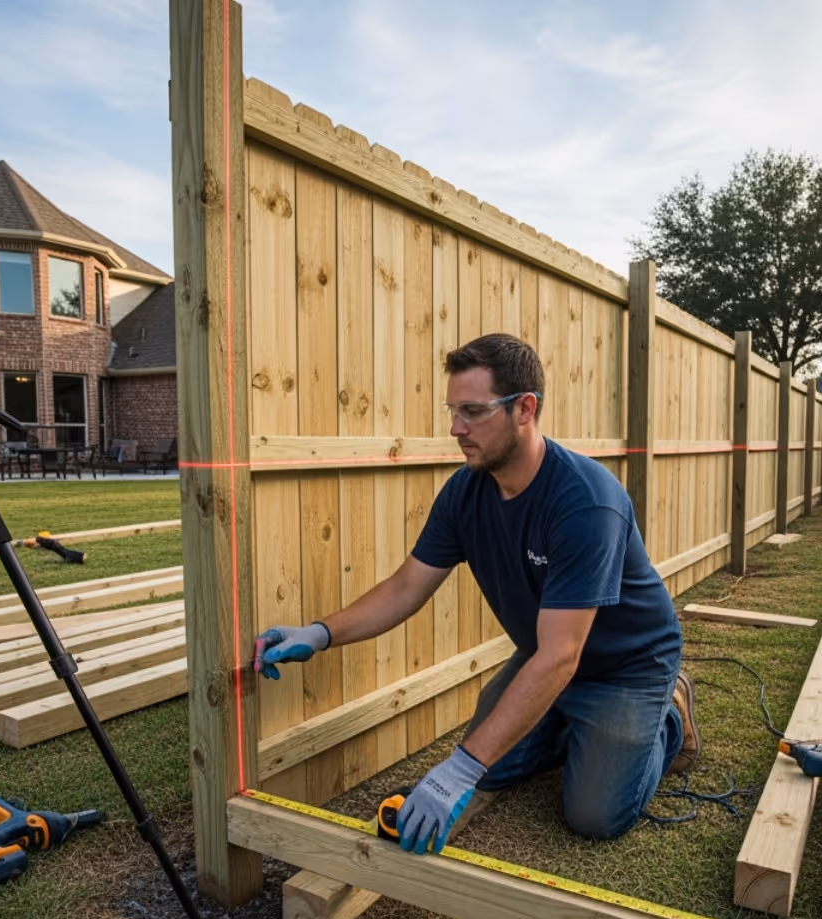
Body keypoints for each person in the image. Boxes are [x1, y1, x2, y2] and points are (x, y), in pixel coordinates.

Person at [256, 333, 696, 855]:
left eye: (472, 411)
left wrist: (457, 769)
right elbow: (405, 588)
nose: (454, 428)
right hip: (547, 657)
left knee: (593, 814)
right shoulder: (466, 491)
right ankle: (566, 725)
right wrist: (321, 632)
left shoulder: (585, 503)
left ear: (524, 409)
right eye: (452, 410)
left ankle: (670, 713)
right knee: (493, 769)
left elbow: (561, 657)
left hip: (625, 667)